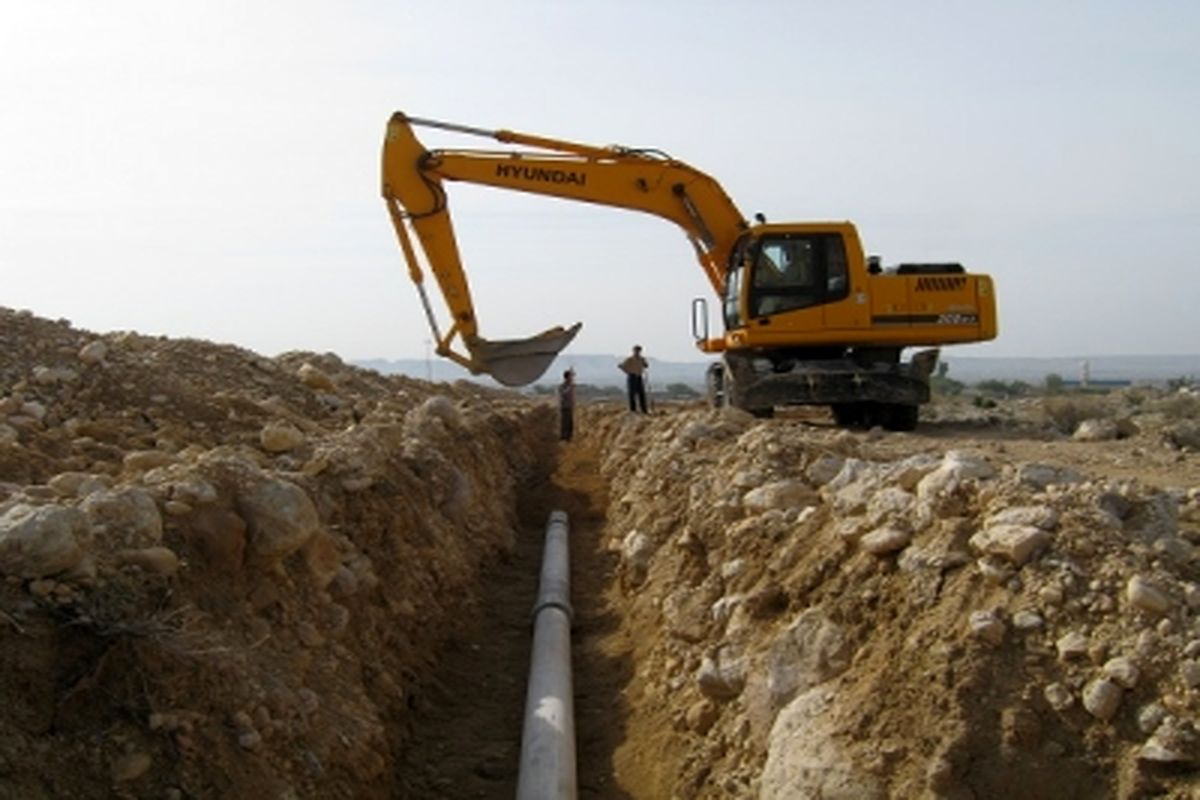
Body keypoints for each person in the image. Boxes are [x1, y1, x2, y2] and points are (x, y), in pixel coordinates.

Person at [618, 345, 649, 413]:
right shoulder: (630, 359)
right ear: (634, 351)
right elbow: (622, 366)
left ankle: (644, 410)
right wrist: (628, 372)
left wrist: (644, 364)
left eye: (639, 351)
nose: (637, 352)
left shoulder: (642, 359)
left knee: (641, 393)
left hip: (639, 377)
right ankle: (633, 410)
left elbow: (646, 365)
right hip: (632, 377)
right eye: (636, 350)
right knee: (632, 394)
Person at [558, 368, 575, 441]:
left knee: (570, 424)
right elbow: (563, 393)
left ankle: (569, 438)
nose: (572, 378)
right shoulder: (562, 386)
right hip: (564, 407)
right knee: (565, 423)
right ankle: (563, 438)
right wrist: (570, 387)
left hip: (569, 407)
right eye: (570, 376)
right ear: (567, 377)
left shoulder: (570, 385)